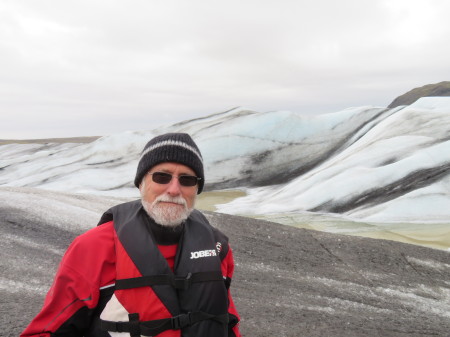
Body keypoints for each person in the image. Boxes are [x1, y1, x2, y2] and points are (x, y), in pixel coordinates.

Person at [21, 133, 241, 337]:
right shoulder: (93, 246)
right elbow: (49, 329)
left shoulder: (217, 246)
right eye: (161, 177)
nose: (174, 189)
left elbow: (226, 320)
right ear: (141, 183)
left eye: (187, 180)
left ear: (197, 189)